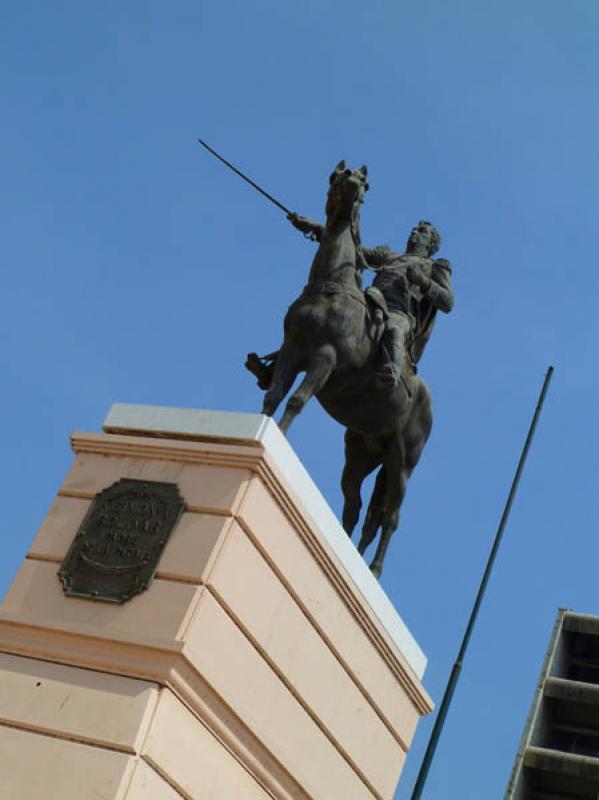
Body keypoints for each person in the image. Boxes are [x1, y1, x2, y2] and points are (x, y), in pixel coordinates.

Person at [287, 215, 454, 386]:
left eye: (422, 231)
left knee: (393, 329)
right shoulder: (388, 255)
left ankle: (392, 370)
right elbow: (352, 247)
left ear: (431, 243)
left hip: (400, 313)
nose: (415, 231)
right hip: (371, 302)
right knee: (332, 319)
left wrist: (424, 281)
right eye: (415, 229)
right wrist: (318, 228)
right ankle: (280, 362)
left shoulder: (435, 266)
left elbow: (447, 302)